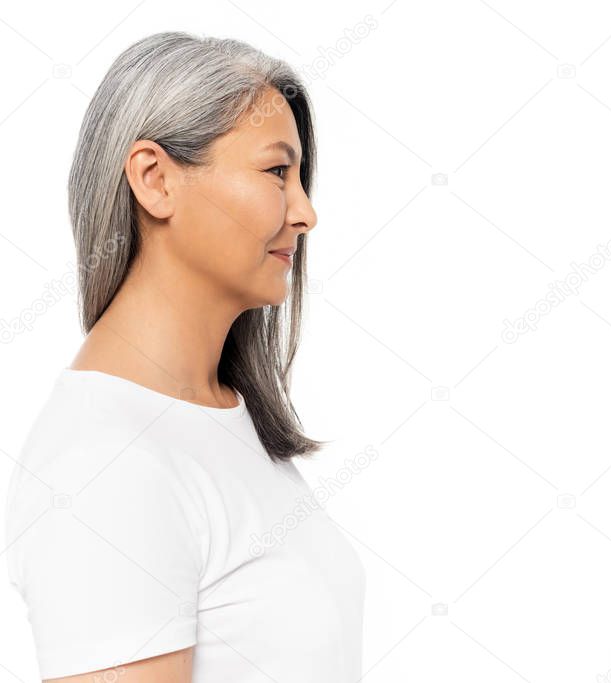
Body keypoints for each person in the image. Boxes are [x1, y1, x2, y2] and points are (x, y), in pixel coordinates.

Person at [4, 32, 365, 682]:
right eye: (276, 172)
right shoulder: (104, 465)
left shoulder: (223, 420)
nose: (306, 211)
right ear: (154, 179)